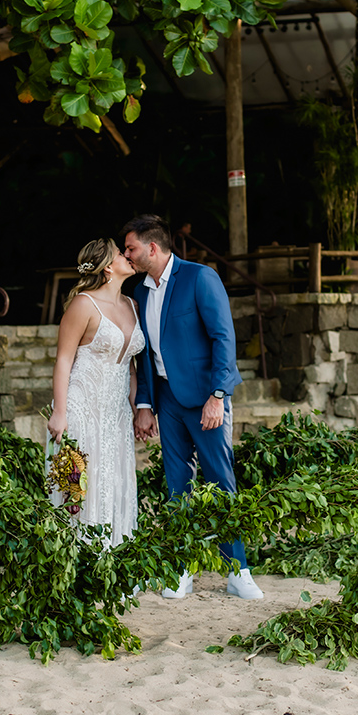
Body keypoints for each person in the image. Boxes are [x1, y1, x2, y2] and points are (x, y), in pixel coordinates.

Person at [123, 214, 264, 600]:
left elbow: (223, 337)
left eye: (131, 248)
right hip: (165, 398)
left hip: (205, 397)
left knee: (220, 481)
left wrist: (218, 395)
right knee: (177, 485)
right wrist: (146, 404)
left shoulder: (200, 277)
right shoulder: (138, 292)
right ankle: (181, 568)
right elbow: (146, 357)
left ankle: (238, 571)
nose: (126, 254)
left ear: (153, 247)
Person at [48, 239, 145, 548]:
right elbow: (64, 359)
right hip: (81, 407)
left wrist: (139, 408)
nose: (128, 257)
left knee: (114, 479)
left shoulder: (132, 305)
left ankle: (111, 555)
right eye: (121, 253)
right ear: (107, 267)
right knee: (79, 484)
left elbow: (130, 368)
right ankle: (75, 555)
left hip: (116, 411)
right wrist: (60, 412)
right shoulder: (83, 304)